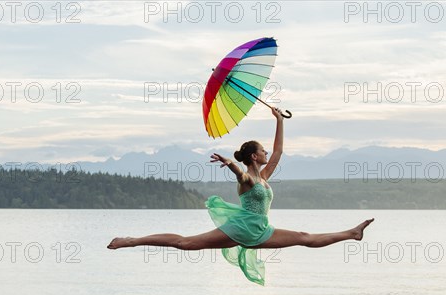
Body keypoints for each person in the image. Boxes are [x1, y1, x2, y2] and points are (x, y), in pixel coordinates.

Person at [107, 107, 374, 285]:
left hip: (261, 230)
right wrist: (232, 165)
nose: (267, 154)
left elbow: (279, 152)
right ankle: (132, 241)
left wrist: (279, 121)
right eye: (263, 152)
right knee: (185, 243)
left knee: (304, 237)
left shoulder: (264, 177)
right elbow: (241, 176)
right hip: (241, 228)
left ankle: (353, 233)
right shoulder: (248, 180)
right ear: (253, 157)